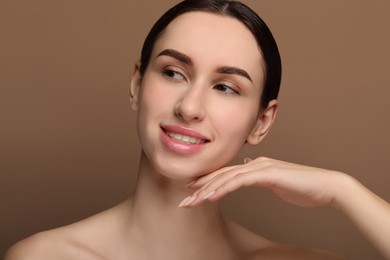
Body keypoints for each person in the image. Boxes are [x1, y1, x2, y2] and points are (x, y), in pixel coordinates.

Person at [5, 0, 390, 259]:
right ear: (137, 85)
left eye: (225, 87)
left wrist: (343, 190)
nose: (189, 107)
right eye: (173, 72)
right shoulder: (47, 255)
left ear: (262, 121)